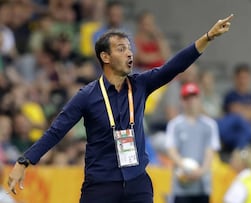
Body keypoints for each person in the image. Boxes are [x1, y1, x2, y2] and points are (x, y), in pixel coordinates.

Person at [8, 14, 234, 203]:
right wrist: (24, 161)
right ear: (105, 57)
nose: (129, 53)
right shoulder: (87, 96)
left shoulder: (140, 85)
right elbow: (56, 131)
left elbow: (173, 67)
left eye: (129, 48)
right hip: (100, 187)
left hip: (138, 184)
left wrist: (207, 38)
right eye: (121, 49)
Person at [165, 82, 220, 203]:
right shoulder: (175, 125)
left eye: (194, 97)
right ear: (182, 101)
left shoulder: (210, 125)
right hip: (181, 185)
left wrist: (200, 171)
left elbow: (210, 152)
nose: (191, 101)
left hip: (202, 185)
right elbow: (171, 150)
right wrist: (184, 167)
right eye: (187, 98)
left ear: (199, 99)